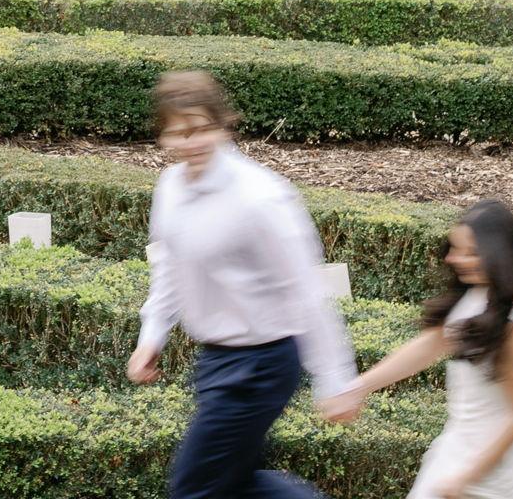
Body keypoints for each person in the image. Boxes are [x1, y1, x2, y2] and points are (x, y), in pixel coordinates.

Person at [125, 68, 356, 499]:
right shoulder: (170, 187)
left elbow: (305, 291)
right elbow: (170, 269)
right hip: (215, 361)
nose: (190, 143)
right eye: (178, 133)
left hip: (262, 365)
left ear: (223, 124)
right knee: (236, 485)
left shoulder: (261, 197)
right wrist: (152, 335)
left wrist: (335, 380)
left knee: (194, 489)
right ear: (163, 136)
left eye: (200, 129)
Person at [319, 200, 513, 499]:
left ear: (500, 255)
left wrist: (467, 477)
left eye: (470, 253)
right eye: (454, 249)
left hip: (496, 471)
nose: (454, 259)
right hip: (458, 449)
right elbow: (431, 345)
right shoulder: (477, 296)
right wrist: (357, 389)